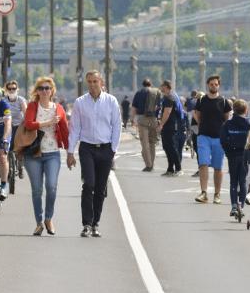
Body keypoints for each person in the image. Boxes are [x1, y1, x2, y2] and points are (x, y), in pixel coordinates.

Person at [67, 70, 121, 238]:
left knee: (100, 188)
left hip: (105, 148)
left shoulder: (111, 101)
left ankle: (96, 222)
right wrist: (70, 151)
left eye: (95, 81)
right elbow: (75, 128)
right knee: (89, 184)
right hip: (87, 148)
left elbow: (117, 126)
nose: (92, 84)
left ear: (101, 82)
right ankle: (86, 224)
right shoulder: (80, 102)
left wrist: (113, 150)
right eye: (89, 82)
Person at [23, 76, 69, 236]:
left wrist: (70, 153)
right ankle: (38, 223)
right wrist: (48, 123)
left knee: (51, 186)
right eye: (41, 88)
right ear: (37, 91)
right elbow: (28, 124)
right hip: (33, 154)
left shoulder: (59, 109)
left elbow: (65, 130)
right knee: (36, 190)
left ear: (52, 91)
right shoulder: (32, 106)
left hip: (52, 154)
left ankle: (48, 218)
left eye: (47, 88)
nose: (44, 91)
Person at [194, 75, 232, 204]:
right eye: (211, 84)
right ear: (207, 85)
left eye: (216, 84)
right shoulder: (201, 100)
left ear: (219, 86)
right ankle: (204, 192)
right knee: (203, 163)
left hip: (218, 138)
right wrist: (201, 127)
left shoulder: (224, 101)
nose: (214, 86)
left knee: (217, 167)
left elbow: (227, 119)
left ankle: (217, 194)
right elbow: (197, 115)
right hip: (203, 136)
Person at [220, 99, 250, 218]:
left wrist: (228, 152)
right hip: (245, 155)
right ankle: (241, 205)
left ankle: (234, 205)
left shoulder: (227, 124)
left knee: (233, 181)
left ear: (234, 110)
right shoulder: (249, 124)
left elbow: (223, 140)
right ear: (246, 110)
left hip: (232, 155)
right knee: (243, 182)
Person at [132, 78, 162, 172]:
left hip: (142, 119)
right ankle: (152, 163)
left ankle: (148, 165)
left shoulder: (139, 93)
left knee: (145, 143)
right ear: (150, 84)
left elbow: (134, 108)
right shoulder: (156, 92)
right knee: (152, 142)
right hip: (153, 119)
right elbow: (160, 106)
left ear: (143, 84)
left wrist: (132, 119)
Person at [158, 81, 186, 176]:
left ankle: (178, 168)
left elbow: (167, 112)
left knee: (171, 147)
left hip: (170, 126)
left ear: (165, 87)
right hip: (170, 125)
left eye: (161, 86)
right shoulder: (171, 96)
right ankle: (170, 169)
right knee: (167, 147)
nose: (160, 87)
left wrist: (161, 124)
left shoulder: (169, 98)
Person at [5, 80, 28, 178]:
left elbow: (26, 113)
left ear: (17, 89)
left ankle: (20, 166)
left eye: (13, 88)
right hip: (7, 126)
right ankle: (7, 166)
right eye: (9, 89)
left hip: (19, 126)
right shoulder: (3, 100)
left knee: (19, 147)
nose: (11, 90)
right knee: (6, 147)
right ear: (6, 90)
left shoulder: (21, 100)